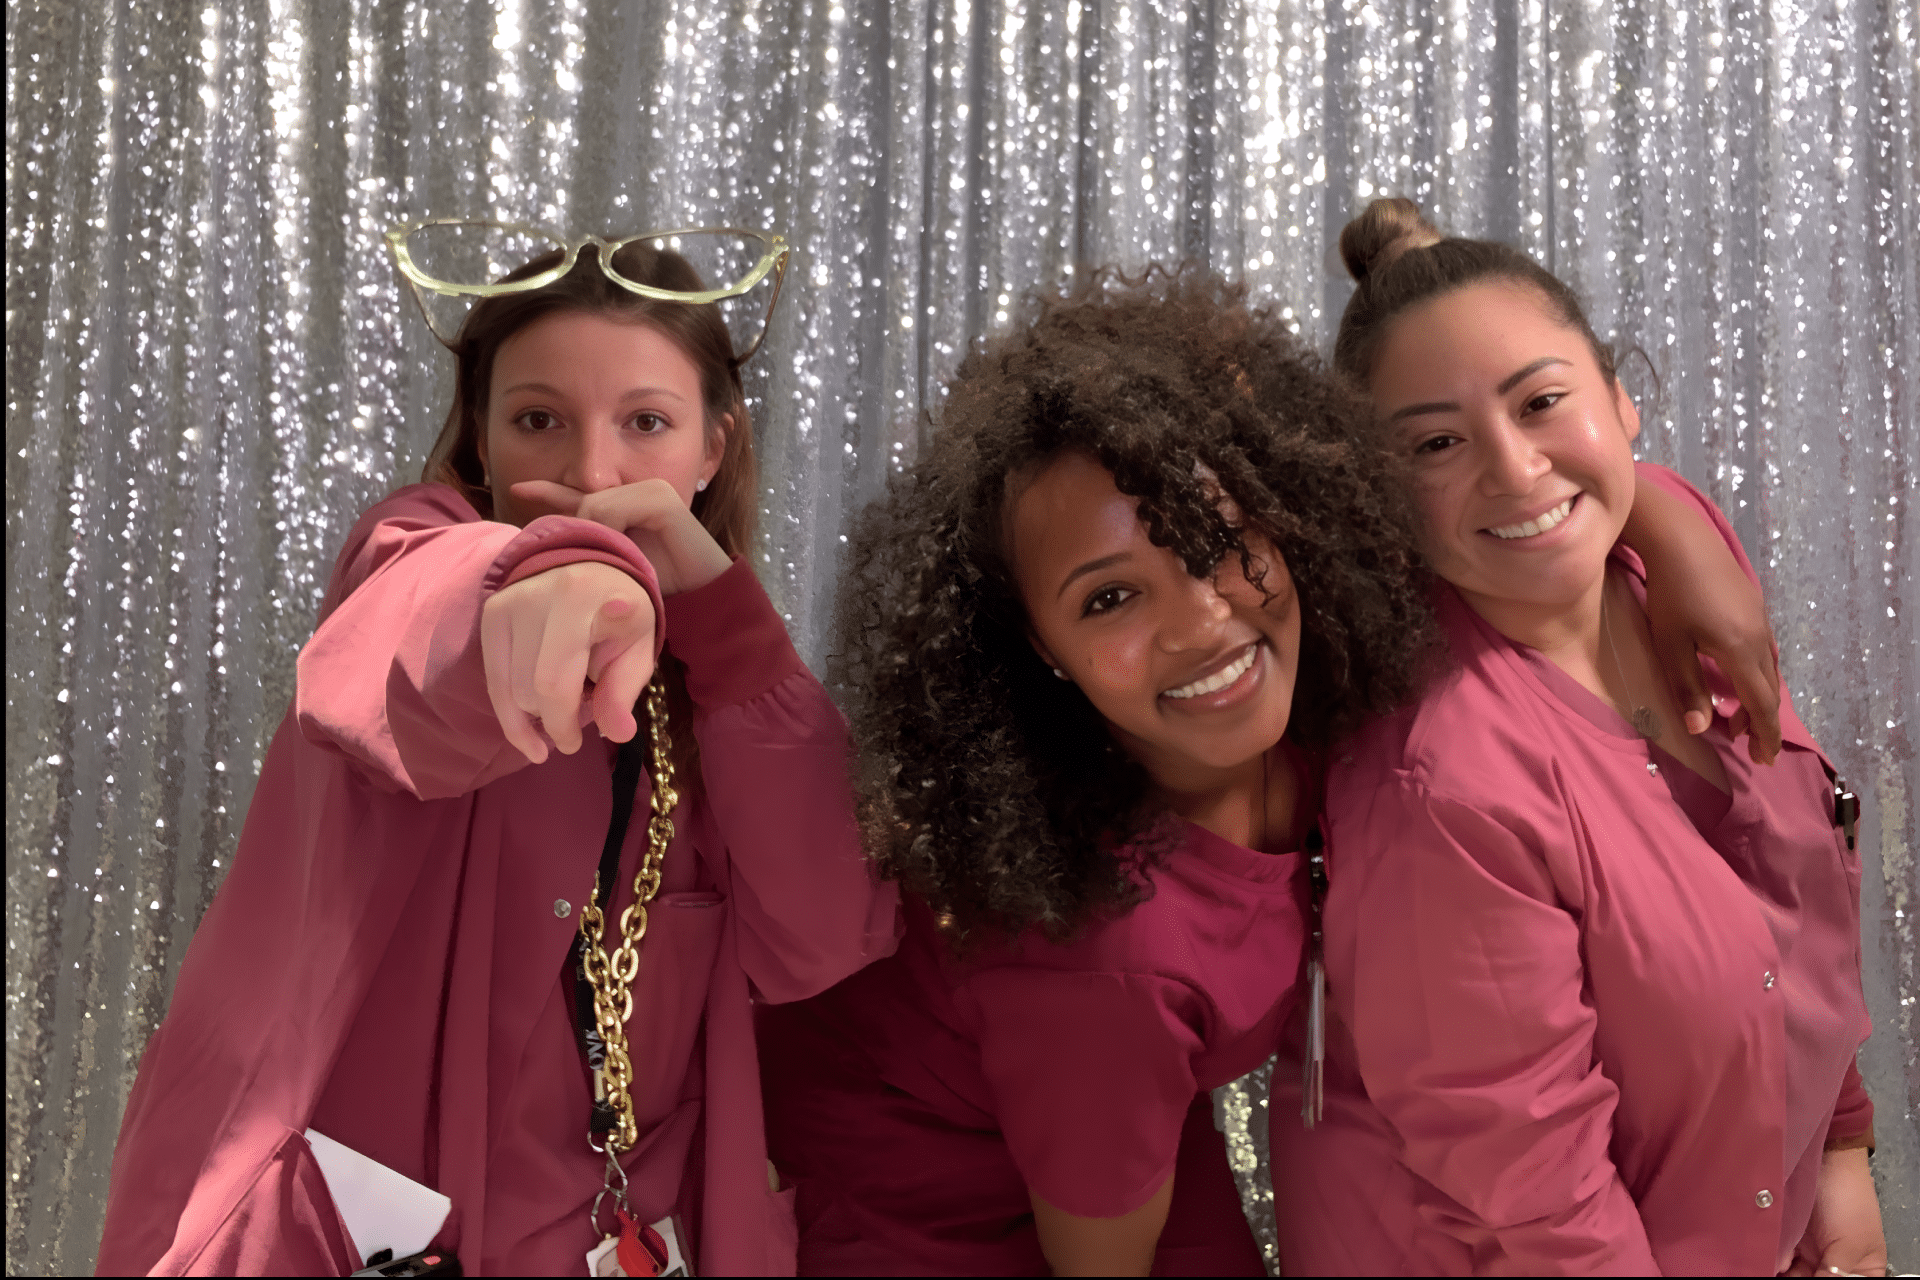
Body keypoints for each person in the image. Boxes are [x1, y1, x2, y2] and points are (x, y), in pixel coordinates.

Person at [758, 266, 1775, 1277]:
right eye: (1110, 599)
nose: (1204, 624)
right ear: (1038, 648)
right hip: (946, 1217)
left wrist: (1678, 539)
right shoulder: (1109, 961)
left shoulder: (1323, 671)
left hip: (1127, 1121)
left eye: (1219, 542)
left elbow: (1525, 497)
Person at [95, 232, 898, 1276]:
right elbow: (406, 645)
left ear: (715, 446)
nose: (592, 473)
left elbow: (823, 936)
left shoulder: (723, 698)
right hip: (371, 1234)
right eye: (538, 420)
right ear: (479, 438)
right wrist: (560, 575)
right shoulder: (415, 560)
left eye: (647, 422)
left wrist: (730, 631)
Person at [1269, 198, 1883, 1276]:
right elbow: (1541, 1205)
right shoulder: (1440, 785)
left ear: (1621, 398)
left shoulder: (1674, 580)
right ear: (1380, 493)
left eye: (1542, 401)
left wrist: (1837, 1154)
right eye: (1437, 444)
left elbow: (1790, 889)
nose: (1515, 471)